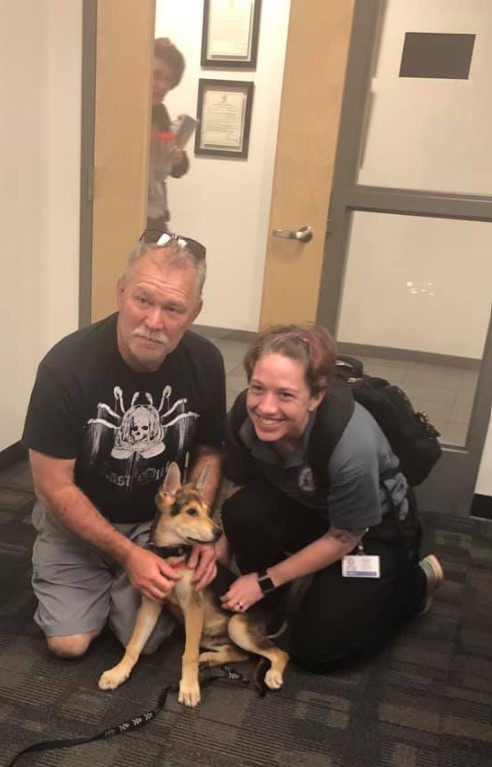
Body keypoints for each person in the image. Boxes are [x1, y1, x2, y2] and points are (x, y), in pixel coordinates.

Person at [22, 231, 225, 659]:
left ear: (195, 312)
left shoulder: (206, 362)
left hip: (154, 524)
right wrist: (129, 555)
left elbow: (209, 452)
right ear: (120, 292)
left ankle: (120, 586)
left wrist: (197, 534)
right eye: (143, 300)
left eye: (173, 308)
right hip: (77, 521)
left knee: (146, 641)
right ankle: (94, 575)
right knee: (69, 644)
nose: (154, 322)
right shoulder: (65, 367)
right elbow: (52, 487)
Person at [218, 324, 444, 672]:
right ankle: (273, 602)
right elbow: (237, 482)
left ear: (316, 396)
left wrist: (264, 579)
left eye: (285, 395)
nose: (265, 407)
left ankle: (412, 585)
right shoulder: (244, 416)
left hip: (370, 529)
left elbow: (344, 536)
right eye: (257, 388)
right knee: (241, 512)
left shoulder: (350, 443)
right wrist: (215, 549)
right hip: (309, 505)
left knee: (318, 650)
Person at [147, 38, 190, 232]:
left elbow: (177, 170)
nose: (162, 85)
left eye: (169, 79)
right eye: (157, 74)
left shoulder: (161, 113)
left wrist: (178, 157)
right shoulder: (124, 115)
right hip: (125, 211)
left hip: (156, 215)